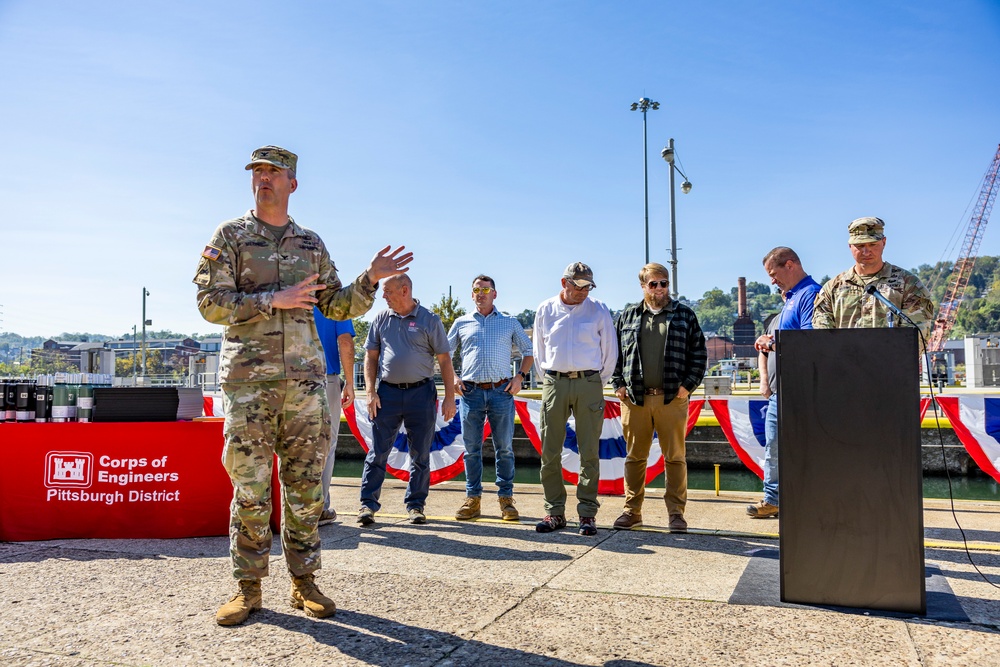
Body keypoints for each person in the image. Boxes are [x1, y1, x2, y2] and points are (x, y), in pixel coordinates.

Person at [195, 145, 412, 627]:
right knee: (250, 490)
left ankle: (304, 582)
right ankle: (248, 590)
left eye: (274, 172)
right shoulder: (230, 236)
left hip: (306, 386)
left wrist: (369, 278)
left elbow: (336, 306)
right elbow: (210, 303)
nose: (264, 179)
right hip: (250, 386)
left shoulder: (311, 244)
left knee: (307, 490)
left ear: (293, 183)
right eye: (258, 172)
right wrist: (275, 298)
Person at [610, 263, 707, 532]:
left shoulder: (684, 315)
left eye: (663, 283)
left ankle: (676, 513)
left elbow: (699, 355)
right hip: (634, 399)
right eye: (653, 284)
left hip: (672, 399)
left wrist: (687, 387)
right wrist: (618, 384)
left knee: (675, 457)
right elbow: (613, 355)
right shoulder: (627, 316)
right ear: (643, 286)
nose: (660, 288)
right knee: (634, 457)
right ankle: (632, 510)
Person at [359, 274, 457, 526]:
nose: (384, 296)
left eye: (388, 291)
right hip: (387, 394)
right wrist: (371, 392)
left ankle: (415, 505)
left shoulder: (430, 319)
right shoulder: (381, 318)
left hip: (421, 393)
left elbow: (445, 360)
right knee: (378, 450)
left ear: (404, 290)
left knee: (420, 454)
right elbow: (371, 358)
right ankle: (367, 505)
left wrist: (449, 397)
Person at [532, 262, 617, 536]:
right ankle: (554, 511)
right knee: (550, 451)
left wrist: (595, 382)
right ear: (564, 282)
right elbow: (538, 352)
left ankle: (587, 514)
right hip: (554, 381)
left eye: (587, 286)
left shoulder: (599, 309)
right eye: (578, 285)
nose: (583, 291)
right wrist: (550, 379)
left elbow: (609, 352)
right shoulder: (545, 309)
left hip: (589, 382)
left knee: (589, 451)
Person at [448, 275, 534, 521]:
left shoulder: (509, 322)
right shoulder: (461, 322)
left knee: (504, 448)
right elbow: (444, 352)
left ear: (494, 294)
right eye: (477, 289)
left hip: (501, 391)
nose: (481, 293)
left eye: (486, 289)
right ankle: (472, 499)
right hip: (470, 392)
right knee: (471, 449)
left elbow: (529, 352)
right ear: (471, 293)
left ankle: (506, 500)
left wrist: (519, 377)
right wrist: (453, 378)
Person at [746, 248, 820, 519]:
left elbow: (810, 340)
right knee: (774, 447)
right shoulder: (791, 298)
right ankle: (774, 498)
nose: (772, 281)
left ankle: (801, 499)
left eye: (773, 274)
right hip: (782, 390)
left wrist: (772, 342)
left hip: (800, 389)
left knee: (795, 447)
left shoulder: (809, 294)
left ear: (790, 265)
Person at [813, 217, 935, 342]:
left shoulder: (908, 284)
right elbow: (822, 336)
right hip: (844, 360)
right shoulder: (832, 288)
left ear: (884, 242)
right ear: (850, 246)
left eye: (872, 244)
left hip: (892, 360)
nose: (866, 251)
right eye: (860, 246)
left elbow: (915, 336)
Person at [312, 308, 356, 526]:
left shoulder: (287, 289)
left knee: (290, 443)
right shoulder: (335, 301)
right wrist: (349, 382)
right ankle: (319, 509)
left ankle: (290, 506)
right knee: (326, 445)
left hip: (288, 379)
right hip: (325, 377)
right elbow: (345, 341)